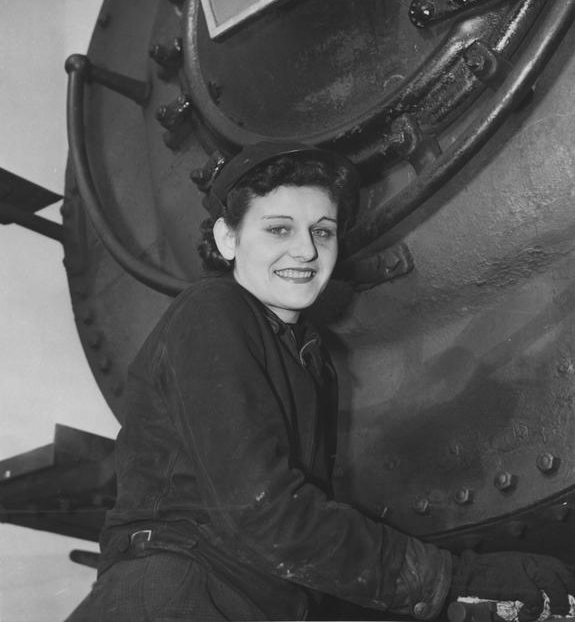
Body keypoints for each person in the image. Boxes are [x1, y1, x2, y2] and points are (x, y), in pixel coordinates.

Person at [65, 140, 575, 622]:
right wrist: (451, 579)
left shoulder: (307, 356)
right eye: (279, 229)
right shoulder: (212, 311)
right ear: (227, 238)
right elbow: (264, 513)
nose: (307, 251)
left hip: (251, 599)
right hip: (179, 590)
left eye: (323, 231)